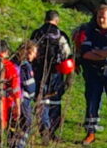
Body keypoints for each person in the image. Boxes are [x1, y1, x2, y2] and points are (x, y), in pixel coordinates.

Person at [74, 3, 107, 144]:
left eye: (104, 17)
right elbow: (85, 54)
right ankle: (90, 133)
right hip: (93, 72)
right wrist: (103, 54)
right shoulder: (90, 31)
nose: (101, 20)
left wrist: (95, 52)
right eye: (99, 17)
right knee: (92, 101)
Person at [29, 11, 75, 140]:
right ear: (57, 21)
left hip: (39, 71)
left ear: (45, 19)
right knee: (55, 101)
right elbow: (68, 58)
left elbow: (30, 52)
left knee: (41, 100)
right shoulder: (61, 35)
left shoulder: (37, 33)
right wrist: (69, 78)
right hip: (56, 72)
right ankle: (53, 133)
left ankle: (44, 130)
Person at [9, 40, 42, 148]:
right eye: (33, 53)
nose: (35, 56)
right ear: (28, 51)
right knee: (26, 123)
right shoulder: (25, 66)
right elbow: (29, 85)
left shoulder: (13, 62)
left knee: (15, 124)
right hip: (23, 99)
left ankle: (13, 147)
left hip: (15, 99)